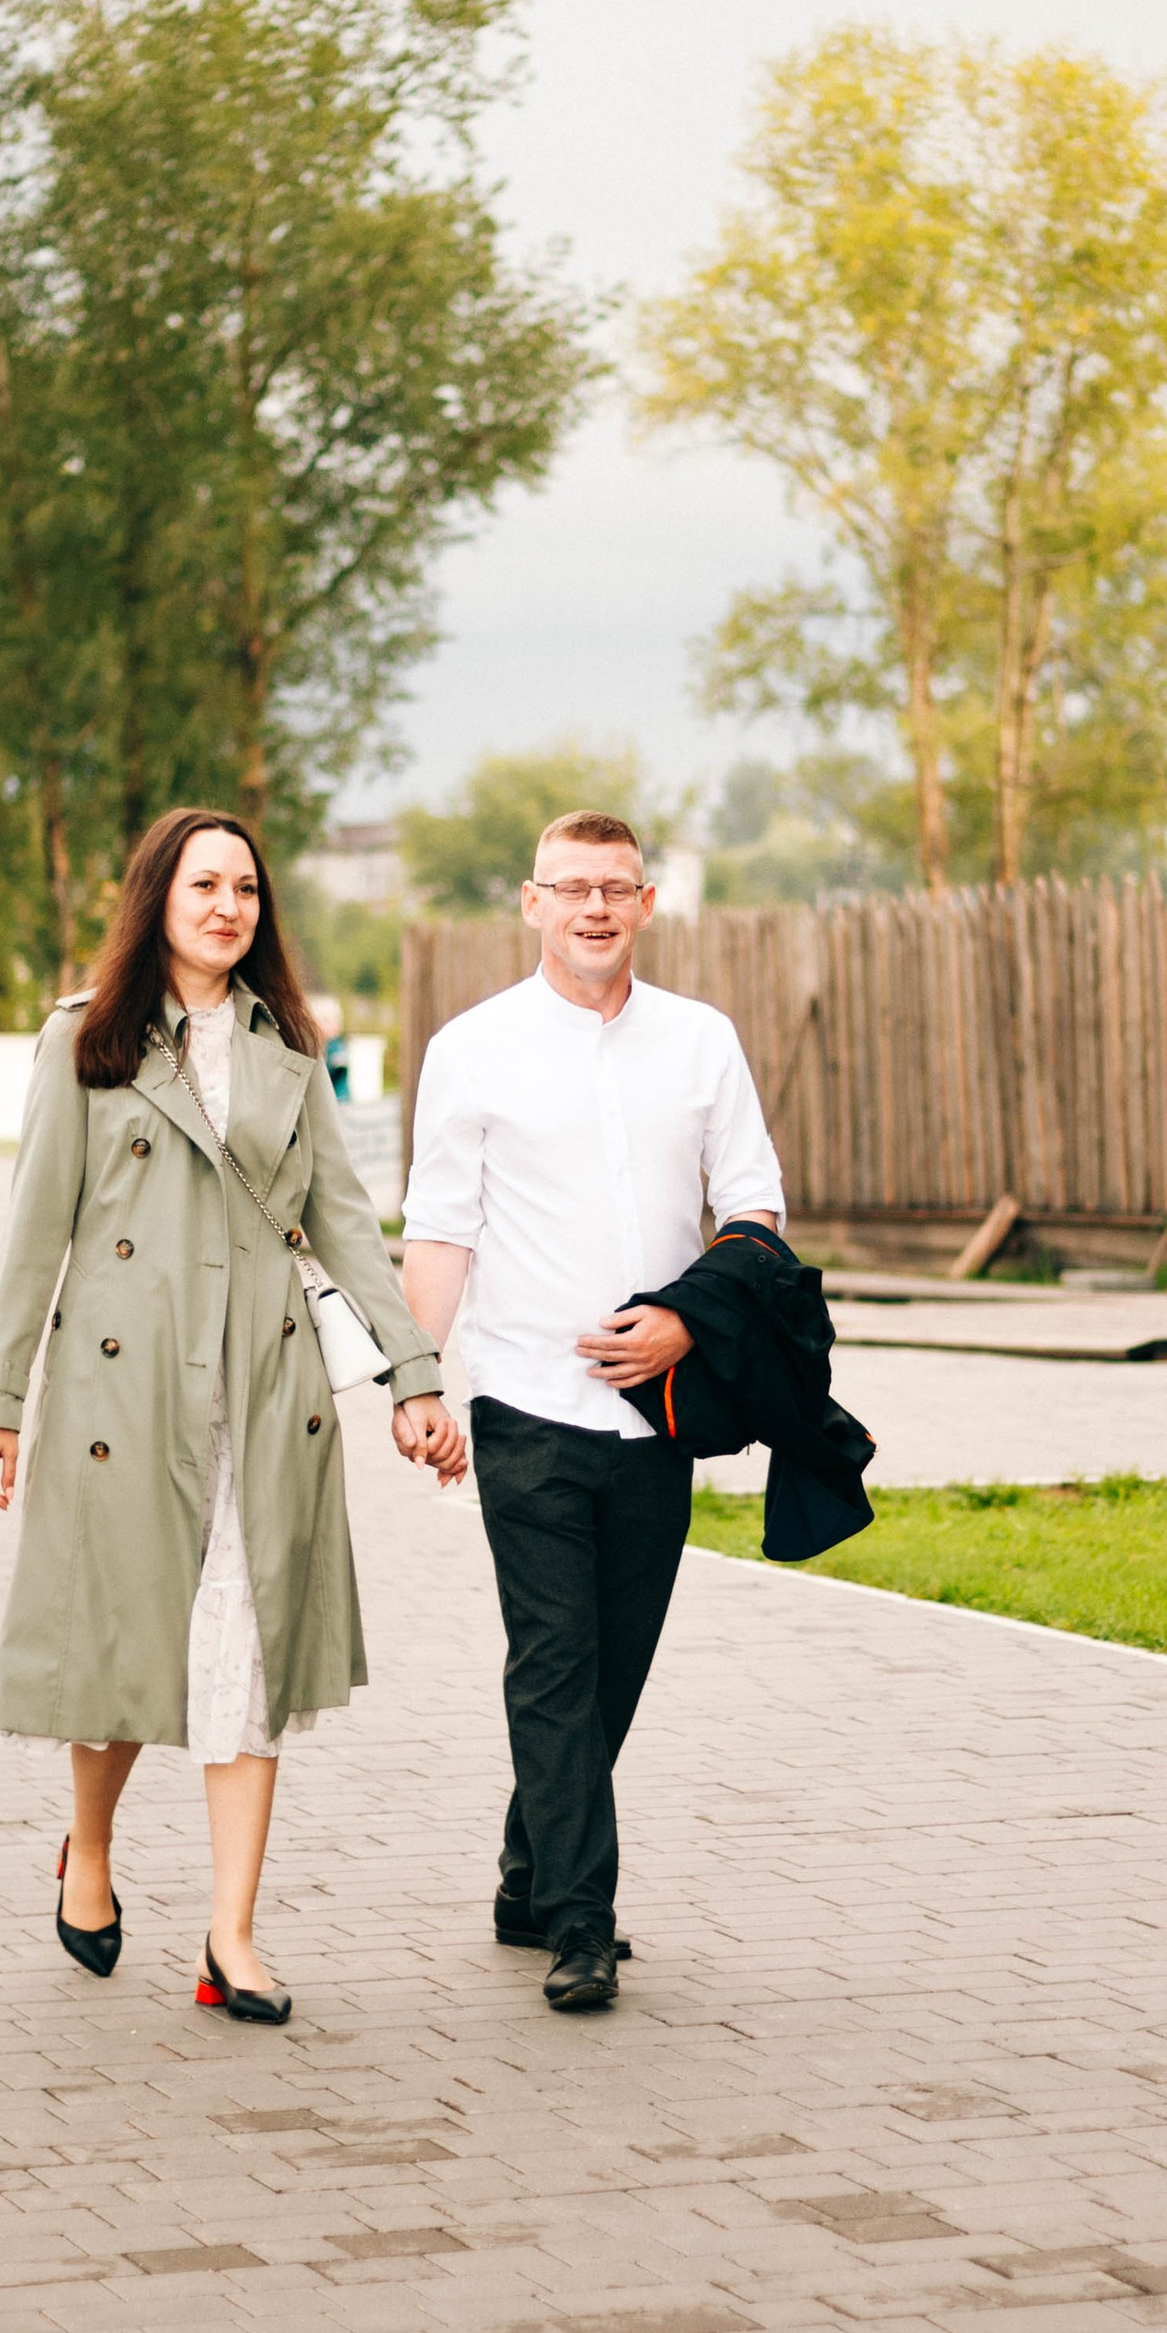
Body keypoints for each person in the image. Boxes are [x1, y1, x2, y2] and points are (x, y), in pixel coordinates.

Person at [0, 806, 467, 2025]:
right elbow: (36, 1232)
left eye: (247, 887)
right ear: (158, 898)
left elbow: (344, 1221)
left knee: (243, 1656)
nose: (229, 906)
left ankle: (232, 1935)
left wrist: (415, 1375)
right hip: (121, 1394)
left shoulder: (289, 1050)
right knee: (126, 1653)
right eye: (205, 884)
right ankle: (89, 1850)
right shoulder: (85, 1042)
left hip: (263, 1392)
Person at [399, 806, 784, 2015]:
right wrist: (418, 1377)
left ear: (647, 904)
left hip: (659, 1416)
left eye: (615, 887)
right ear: (532, 903)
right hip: (524, 1407)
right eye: (571, 888)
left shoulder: (702, 1044)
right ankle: (581, 1924)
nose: (595, 909)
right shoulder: (471, 1049)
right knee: (554, 1665)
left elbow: (757, 1215)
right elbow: (442, 1229)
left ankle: (528, 1876)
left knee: (611, 1671)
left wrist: (684, 1317)